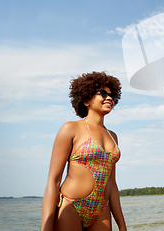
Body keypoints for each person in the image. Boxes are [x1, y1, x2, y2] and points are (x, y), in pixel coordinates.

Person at [41, 71, 127, 231]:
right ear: (86, 99)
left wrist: (122, 226)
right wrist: (46, 227)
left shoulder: (113, 136)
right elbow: (53, 181)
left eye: (112, 96)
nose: (109, 98)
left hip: (101, 209)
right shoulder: (70, 129)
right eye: (103, 93)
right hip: (71, 205)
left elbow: (112, 184)